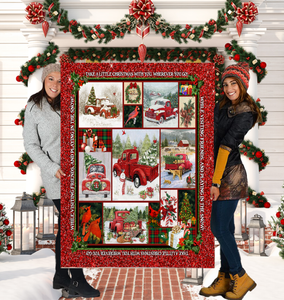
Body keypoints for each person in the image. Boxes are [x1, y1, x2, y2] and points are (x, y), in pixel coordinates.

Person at [23, 64, 100, 298]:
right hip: (57, 175)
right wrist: (51, 167)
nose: (55, 85)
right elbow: (31, 145)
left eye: (60, 80)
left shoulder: (72, 103)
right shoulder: (34, 107)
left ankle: (59, 275)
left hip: (79, 173)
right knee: (73, 226)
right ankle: (76, 279)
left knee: (69, 226)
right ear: (44, 80)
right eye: (51, 79)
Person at [199, 62, 262, 300]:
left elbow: (226, 145)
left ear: (242, 85)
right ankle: (225, 278)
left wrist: (215, 183)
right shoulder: (223, 106)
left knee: (218, 227)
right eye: (225, 84)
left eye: (233, 83)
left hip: (230, 176)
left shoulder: (246, 111)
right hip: (217, 170)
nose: (228, 88)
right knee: (225, 227)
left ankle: (240, 275)